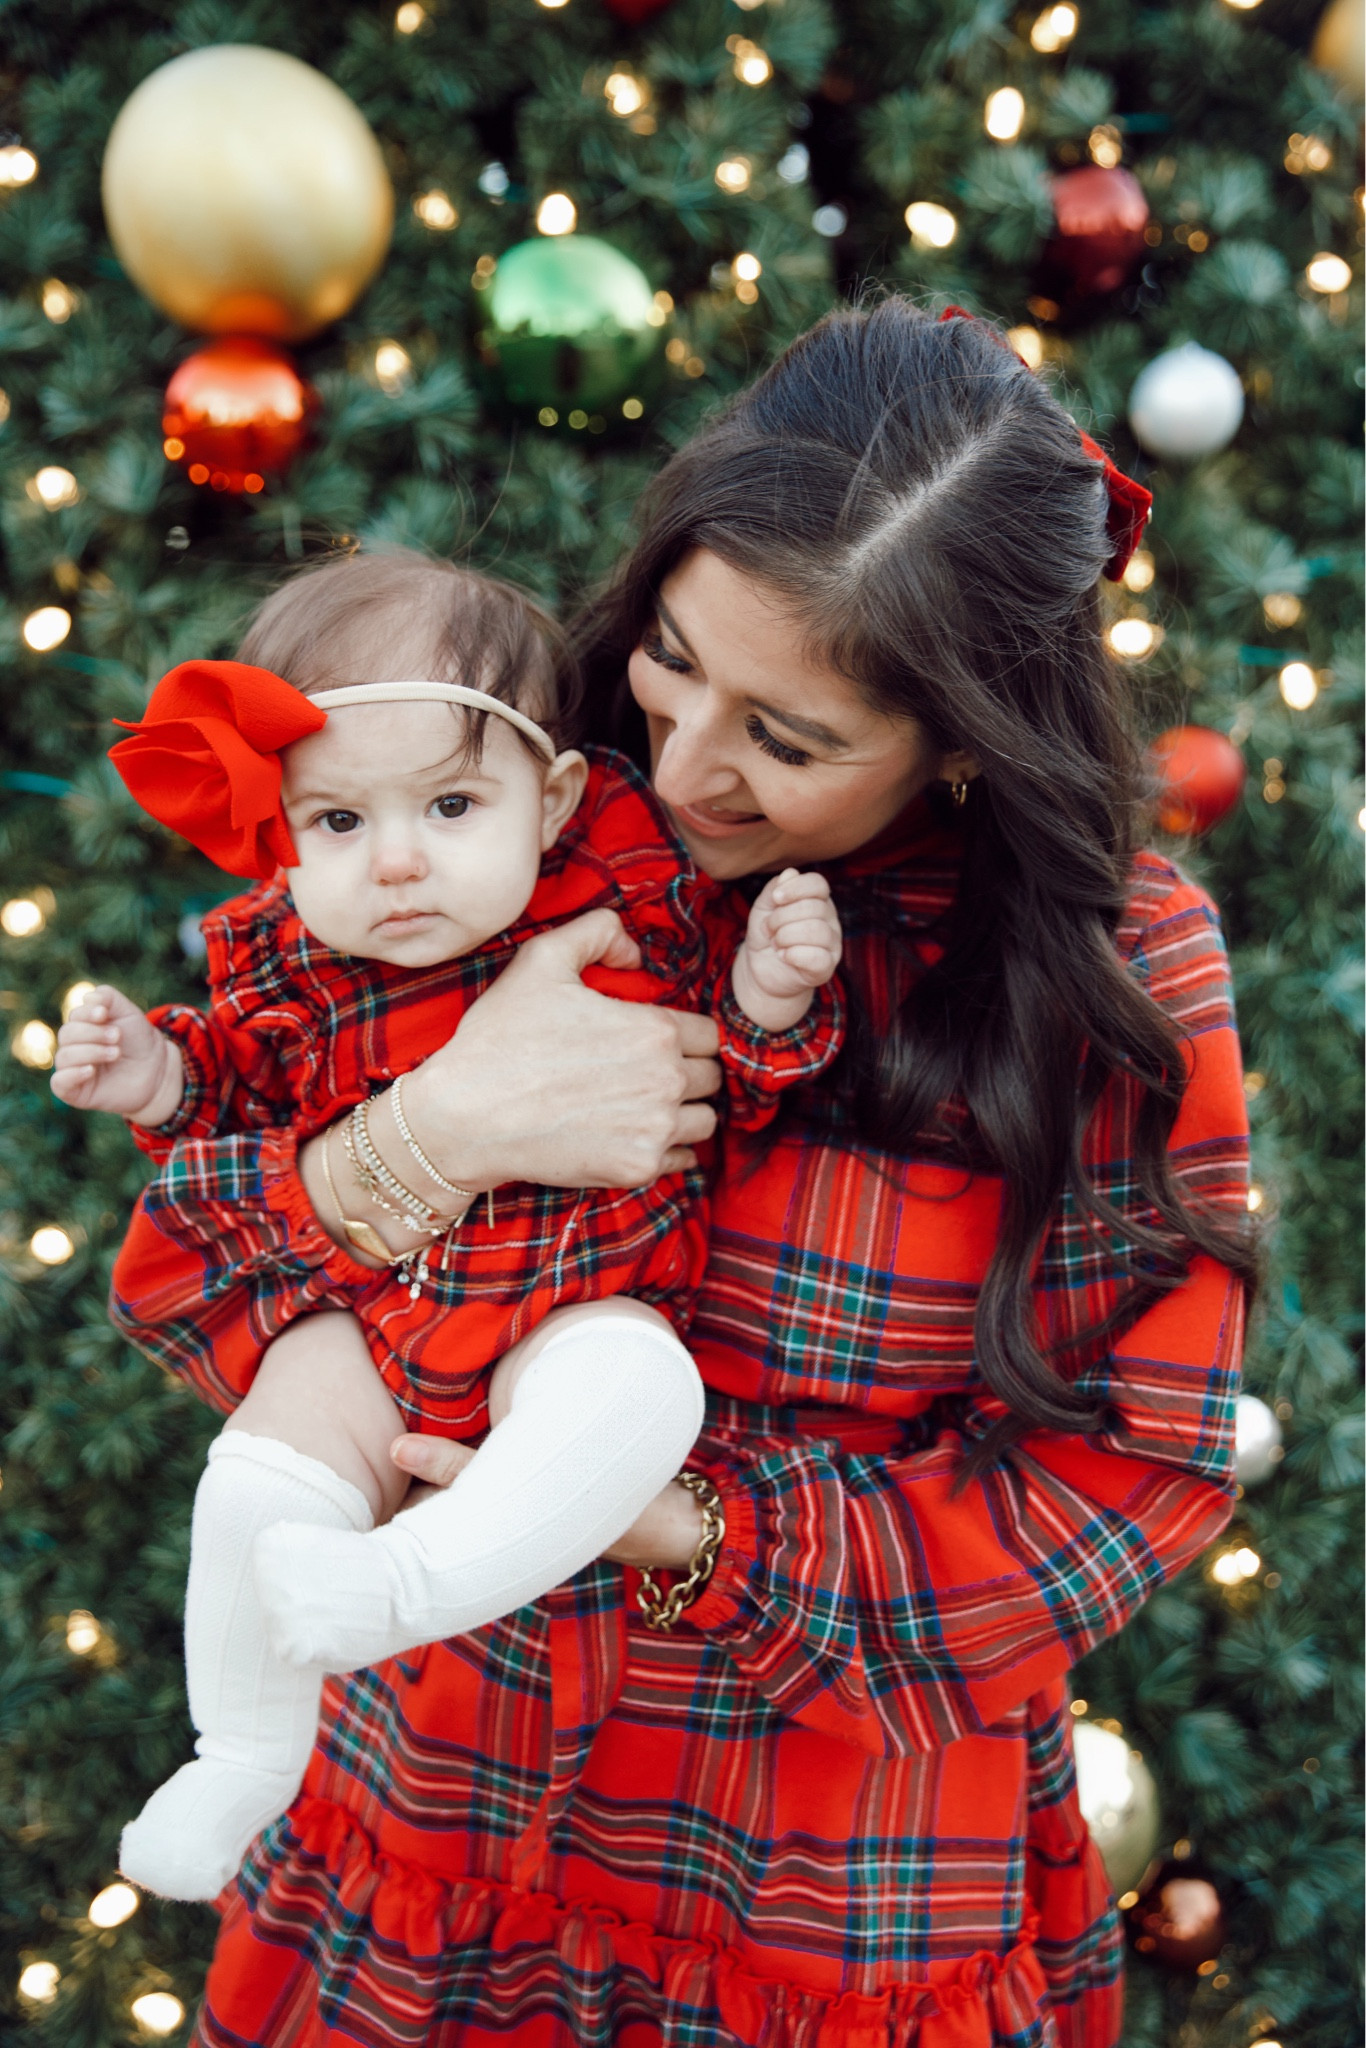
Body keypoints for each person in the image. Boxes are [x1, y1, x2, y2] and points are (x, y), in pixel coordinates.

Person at [109, 300, 1254, 2048]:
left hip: (810, 1876)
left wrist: (680, 1526)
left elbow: (1122, 1479)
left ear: (963, 736)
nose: (688, 760)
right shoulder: (486, 819)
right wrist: (439, 1134)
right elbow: (196, 1268)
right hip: (441, 1804)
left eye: (787, 741)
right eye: (669, 657)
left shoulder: (1109, 975)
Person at [57, 555, 842, 1905]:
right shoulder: (287, 962)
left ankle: (410, 1582)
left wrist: (767, 994)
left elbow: (720, 1066)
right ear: (282, 833)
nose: (400, 859)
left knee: (636, 1386)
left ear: (546, 801)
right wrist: (159, 1076)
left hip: (576, 1297)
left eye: (451, 803)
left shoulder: (620, 905)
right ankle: (241, 1748)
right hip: (380, 1315)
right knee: (259, 1468)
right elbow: (237, 1102)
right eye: (340, 820)